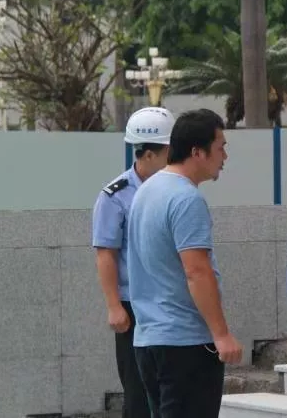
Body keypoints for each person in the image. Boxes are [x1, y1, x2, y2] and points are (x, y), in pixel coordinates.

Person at [127, 108, 243, 418]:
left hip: (148, 341)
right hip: (185, 343)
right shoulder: (186, 199)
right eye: (220, 147)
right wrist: (221, 334)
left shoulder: (145, 191)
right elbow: (197, 271)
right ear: (197, 152)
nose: (225, 157)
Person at [92, 106, 175, 418]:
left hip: (169, 303)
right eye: (169, 151)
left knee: (170, 389)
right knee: (138, 392)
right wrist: (114, 306)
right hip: (133, 306)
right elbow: (106, 253)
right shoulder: (116, 196)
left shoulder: (175, 189)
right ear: (148, 154)